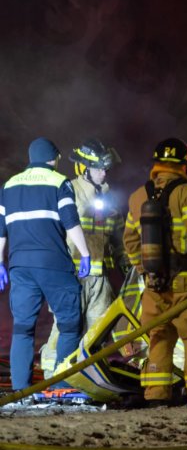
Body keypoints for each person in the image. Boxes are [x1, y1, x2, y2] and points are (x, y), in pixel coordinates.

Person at [122, 137, 187, 409]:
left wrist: (145, 271)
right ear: (183, 165)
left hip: (154, 285)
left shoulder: (137, 197)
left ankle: (156, 395)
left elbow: (130, 242)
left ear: (156, 164)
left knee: (159, 336)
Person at [0, 137, 91, 390]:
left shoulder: (8, 186)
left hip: (20, 266)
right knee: (70, 323)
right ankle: (60, 383)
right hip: (53, 263)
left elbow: (1, 230)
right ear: (54, 158)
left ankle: (21, 390)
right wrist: (84, 254)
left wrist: (0, 263)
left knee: (22, 328)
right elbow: (71, 221)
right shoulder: (59, 182)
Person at [40, 139, 129, 378]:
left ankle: (85, 374)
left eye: (105, 168)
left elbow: (117, 234)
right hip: (72, 275)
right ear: (83, 168)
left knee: (97, 329)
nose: (104, 172)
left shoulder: (109, 195)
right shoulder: (69, 191)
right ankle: (52, 374)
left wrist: (124, 260)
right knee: (65, 326)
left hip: (100, 278)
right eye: (98, 167)